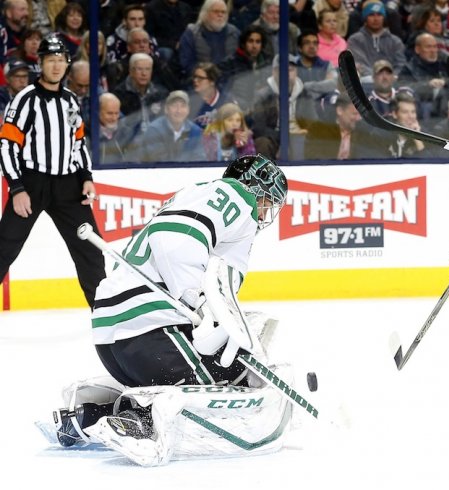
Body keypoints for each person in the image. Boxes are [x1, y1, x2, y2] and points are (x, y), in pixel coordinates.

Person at [50, 155, 291, 466]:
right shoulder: (238, 199)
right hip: (149, 336)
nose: (264, 212)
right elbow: (175, 240)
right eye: (266, 201)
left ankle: (86, 418)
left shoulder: (193, 194)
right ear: (254, 188)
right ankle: (138, 423)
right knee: (232, 372)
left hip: (114, 341)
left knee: (205, 364)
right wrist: (195, 297)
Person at [0, 34, 105, 308]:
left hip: (68, 186)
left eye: (61, 60)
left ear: (67, 64)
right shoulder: (25, 99)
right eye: (50, 60)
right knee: (4, 247)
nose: (56, 66)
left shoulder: (71, 100)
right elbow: (7, 146)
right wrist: (18, 187)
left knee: (91, 249)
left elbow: (78, 142)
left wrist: (86, 178)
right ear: (41, 63)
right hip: (32, 184)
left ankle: (105, 313)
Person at [139, 90, 206, 162]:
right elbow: (159, 162)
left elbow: (199, 159)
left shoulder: (195, 130)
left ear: (188, 110)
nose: (178, 111)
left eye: (183, 106)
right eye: (174, 106)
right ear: (166, 109)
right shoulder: (154, 130)